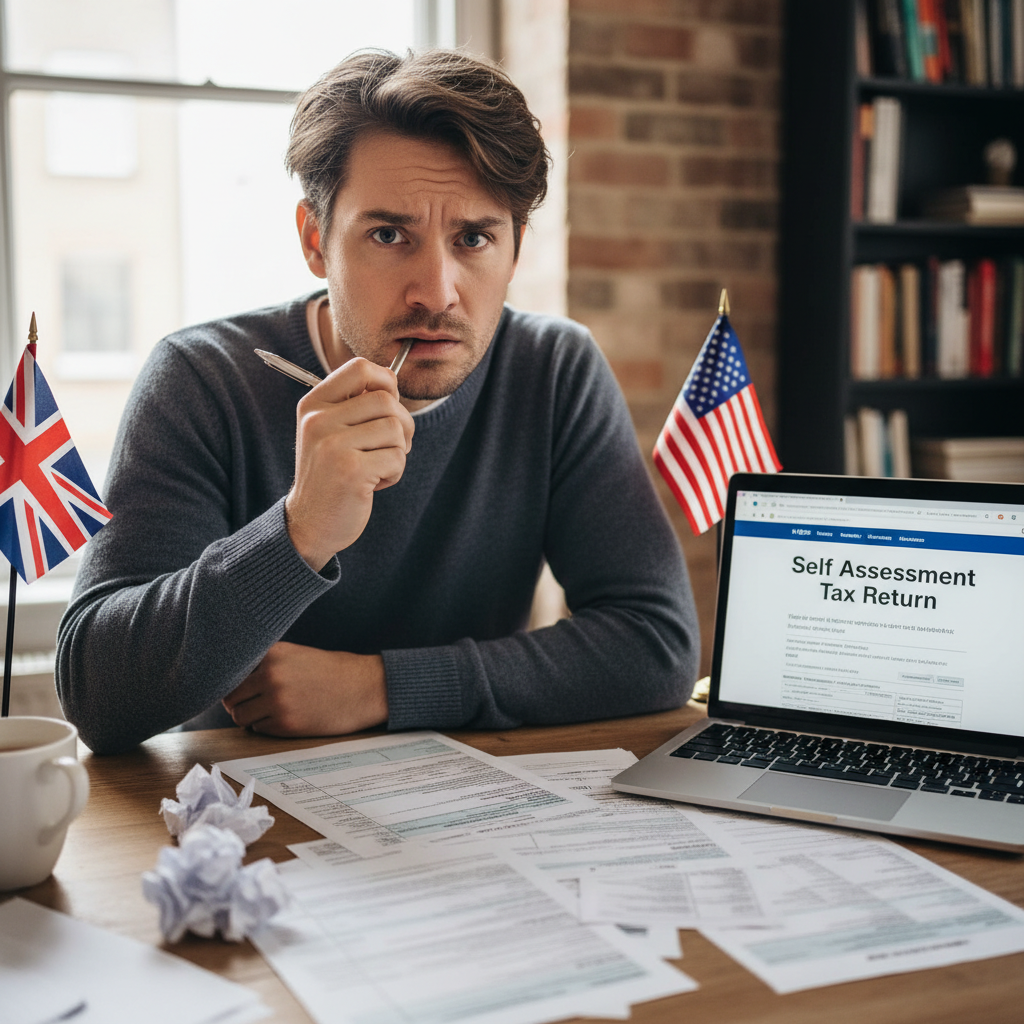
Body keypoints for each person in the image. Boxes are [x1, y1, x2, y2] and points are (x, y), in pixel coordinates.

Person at [56, 49, 699, 755]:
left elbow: (658, 644)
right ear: (316, 241)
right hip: (236, 810)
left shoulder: (552, 369)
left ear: (516, 252)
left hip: (473, 800)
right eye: (389, 235)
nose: (437, 292)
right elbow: (96, 696)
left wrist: (380, 687)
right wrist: (299, 530)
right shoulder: (203, 380)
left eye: (474, 238)